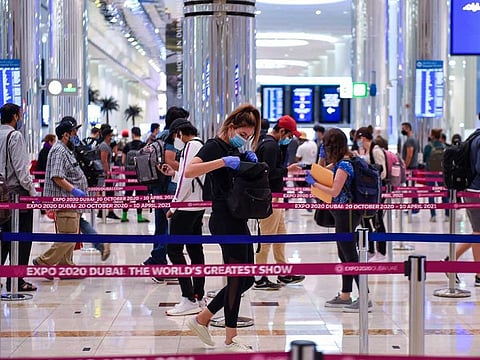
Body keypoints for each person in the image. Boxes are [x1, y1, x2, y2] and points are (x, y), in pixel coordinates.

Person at [183, 103, 261, 352]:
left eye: (248, 137)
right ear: (231, 127)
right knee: (237, 278)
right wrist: (222, 162)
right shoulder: (214, 146)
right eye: (243, 135)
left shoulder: (232, 149)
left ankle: (202, 318)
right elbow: (189, 171)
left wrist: (249, 165)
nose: (244, 140)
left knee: (247, 278)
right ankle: (230, 337)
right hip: (224, 219)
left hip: (238, 218)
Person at [305, 128, 371, 312]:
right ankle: (345, 294)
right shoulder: (339, 163)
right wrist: (321, 157)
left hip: (347, 213)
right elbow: (320, 171)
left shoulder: (344, 165)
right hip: (341, 213)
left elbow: (334, 191)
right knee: (344, 254)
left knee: (351, 255)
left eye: (326, 145)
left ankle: (365, 296)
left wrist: (314, 184)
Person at [160, 118, 206, 315]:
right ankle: (199, 294)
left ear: (179, 133)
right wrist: (173, 172)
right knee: (195, 250)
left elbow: (187, 180)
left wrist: (174, 206)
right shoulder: (201, 144)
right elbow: (190, 175)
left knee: (174, 250)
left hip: (186, 207)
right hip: (198, 205)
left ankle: (188, 298)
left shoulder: (190, 146)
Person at [253, 115, 304, 290]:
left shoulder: (270, 144)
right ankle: (259, 276)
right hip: (270, 197)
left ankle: (283, 271)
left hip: (276, 195)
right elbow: (267, 171)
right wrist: (287, 170)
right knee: (266, 237)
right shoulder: (270, 146)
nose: (290, 139)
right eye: (289, 135)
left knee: (280, 235)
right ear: (282, 131)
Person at [142, 107, 190, 282]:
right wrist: (188, 169)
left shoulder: (160, 134)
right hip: (167, 186)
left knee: (162, 225)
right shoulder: (172, 136)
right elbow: (170, 160)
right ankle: (156, 260)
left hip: (156, 185)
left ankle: (158, 263)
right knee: (171, 226)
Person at [33, 119, 88, 267]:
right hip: (65, 200)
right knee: (68, 237)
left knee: (69, 235)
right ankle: (43, 261)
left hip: (71, 201)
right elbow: (57, 176)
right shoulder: (59, 150)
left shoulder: (65, 150)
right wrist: (74, 190)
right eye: (74, 132)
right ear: (65, 135)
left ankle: (66, 266)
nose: (76, 135)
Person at [0, 103, 37, 292]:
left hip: (1, 193)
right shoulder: (15, 136)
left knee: (4, 238)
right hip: (15, 195)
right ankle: (17, 280)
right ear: (15, 117)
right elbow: (22, 170)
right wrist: (33, 193)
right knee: (23, 238)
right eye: (20, 115)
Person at [355, 127, 387, 261]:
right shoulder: (366, 151)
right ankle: (370, 249)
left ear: (362, 138)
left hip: (378, 191)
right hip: (367, 191)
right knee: (365, 219)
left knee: (377, 220)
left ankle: (382, 251)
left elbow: (383, 172)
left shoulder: (376, 151)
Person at [453, 127, 480, 287]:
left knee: (478, 231)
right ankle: (478, 274)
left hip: (471, 188)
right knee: (478, 232)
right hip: (477, 191)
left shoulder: (474, 136)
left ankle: (450, 260)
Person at [121, 126, 149, 223]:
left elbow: (123, 160)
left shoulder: (127, 146)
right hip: (140, 173)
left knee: (128, 194)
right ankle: (139, 217)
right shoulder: (144, 145)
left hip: (129, 173)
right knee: (139, 195)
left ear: (132, 134)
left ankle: (124, 216)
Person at [423, 128, 449, 222]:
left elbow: (424, 159)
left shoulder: (428, 146)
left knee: (431, 193)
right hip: (442, 173)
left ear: (432, 135)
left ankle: (433, 215)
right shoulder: (444, 146)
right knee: (444, 192)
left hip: (430, 172)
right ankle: (447, 214)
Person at [97, 126, 120, 220]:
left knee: (107, 192)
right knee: (107, 191)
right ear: (106, 136)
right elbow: (104, 160)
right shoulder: (104, 146)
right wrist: (107, 172)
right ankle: (104, 211)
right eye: (110, 135)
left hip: (105, 171)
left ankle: (104, 210)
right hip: (104, 173)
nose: (111, 137)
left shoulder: (106, 145)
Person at [400, 122, 420, 213]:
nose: (402, 130)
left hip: (410, 167)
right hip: (414, 166)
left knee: (411, 188)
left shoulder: (410, 140)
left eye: (403, 128)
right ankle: (414, 207)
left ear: (408, 128)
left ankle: (414, 208)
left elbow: (409, 154)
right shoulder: (414, 139)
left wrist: (405, 166)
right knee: (412, 187)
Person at [37, 134, 56, 218]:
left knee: (43, 192)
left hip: (42, 176)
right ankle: (49, 211)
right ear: (50, 141)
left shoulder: (43, 150)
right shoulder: (48, 151)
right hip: (45, 176)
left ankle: (45, 210)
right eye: (54, 141)